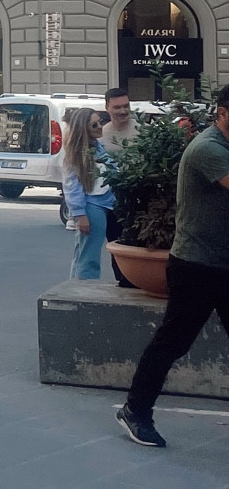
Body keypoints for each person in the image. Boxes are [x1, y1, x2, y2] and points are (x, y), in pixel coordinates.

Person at [118, 85, 229, 449]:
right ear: (223, 114)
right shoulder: (208, 149)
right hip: (196, 266)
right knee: (173, 343)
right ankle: (135, 410)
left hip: (223, 265)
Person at [60, 108, 113, 281]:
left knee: (83, 253)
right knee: (88, 256)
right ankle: (85, 293)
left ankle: (77, 290)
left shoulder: (96, 147)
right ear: (83, 128)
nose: (100, 127)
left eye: (101, 122)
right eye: (94, 124)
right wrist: (80, 215)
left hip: (99, 205)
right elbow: (71, 187)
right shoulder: (76, 154)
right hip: (92, 207)